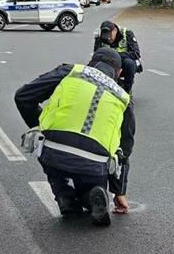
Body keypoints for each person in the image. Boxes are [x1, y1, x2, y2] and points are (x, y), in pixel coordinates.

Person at [14, 47, 136, 226]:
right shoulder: (123, 98)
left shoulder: (71, 72)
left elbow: (23, 97)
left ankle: (65, 197)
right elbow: (124, 149)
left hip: (55, 150)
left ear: (92, 62)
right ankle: (91, 196)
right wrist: (119, 192)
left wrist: (41, 127)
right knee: (93, 184)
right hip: (95, 162)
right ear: (119, 72)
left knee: (53, 161)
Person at [93, 20, 141, 94]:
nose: (108, 39)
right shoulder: (100, 38)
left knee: (130, 64)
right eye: (106, 37)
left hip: (124, 64)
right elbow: (96, 55)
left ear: (115, 30)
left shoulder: (127, 33)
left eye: (110, 36)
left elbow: (136, 54)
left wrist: (116, 55)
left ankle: (127, 91)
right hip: (108, 64)